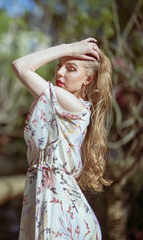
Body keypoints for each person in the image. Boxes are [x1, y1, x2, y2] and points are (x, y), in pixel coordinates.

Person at [11, 38, 113, 239]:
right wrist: (69, 51)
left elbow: (21, 66)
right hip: (49, 199)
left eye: (71, 68)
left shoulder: (69, 102)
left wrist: (69, 48)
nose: (59, 72)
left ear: (88, 79)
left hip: (60, 209)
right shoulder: (62, 104)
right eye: (59, 66)